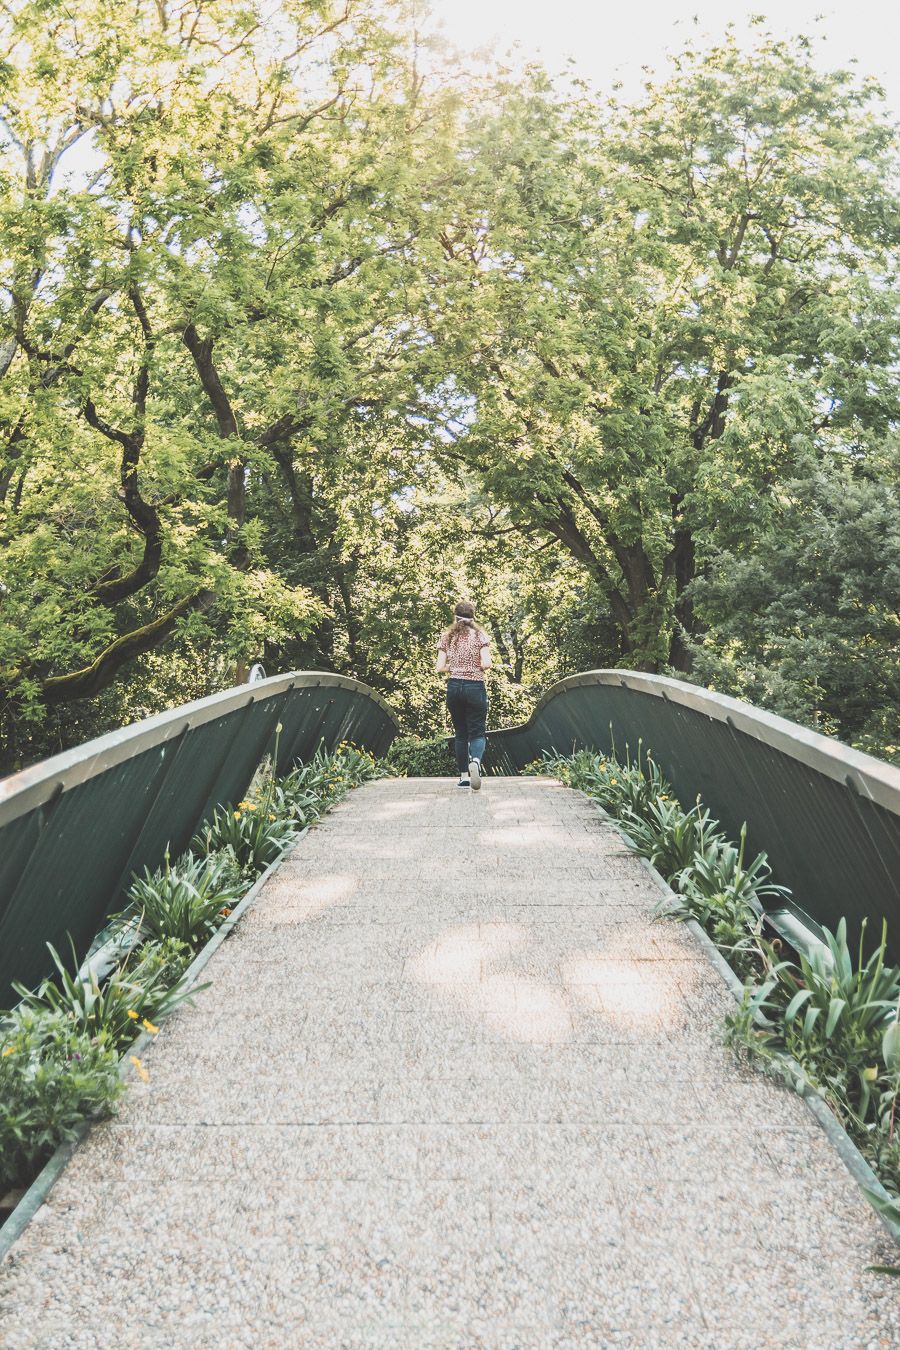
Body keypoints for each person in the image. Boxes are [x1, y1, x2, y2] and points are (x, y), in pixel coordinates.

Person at [435, 601, 491, 789]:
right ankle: (475, 760)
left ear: (455, 615)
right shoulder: (480, 636)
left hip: (454, 687)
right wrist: (475, 666)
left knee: (460, 733)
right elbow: (487, 663)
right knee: (477, 732)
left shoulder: (447, 637)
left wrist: (454, 667)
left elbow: (439, 667)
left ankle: (464, 776)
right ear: (473, 615)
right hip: (475, 686)